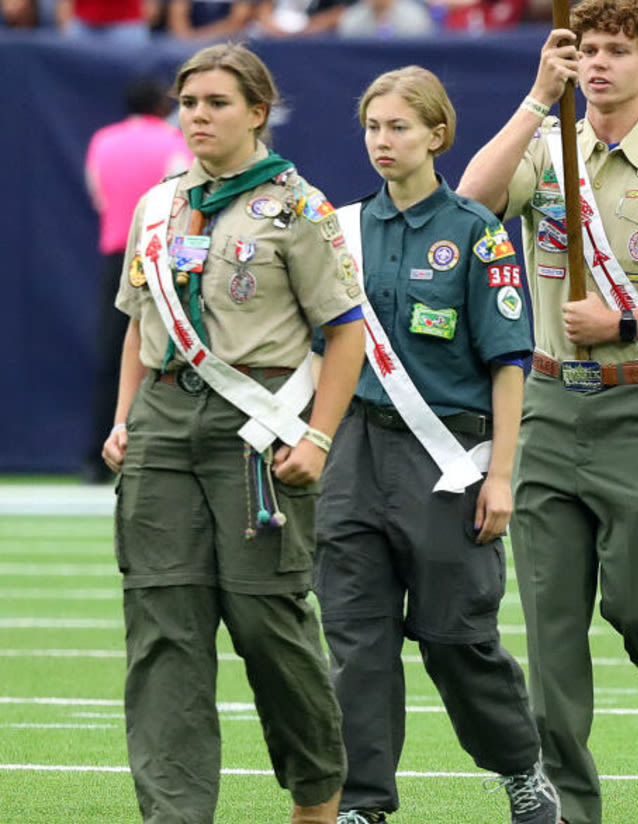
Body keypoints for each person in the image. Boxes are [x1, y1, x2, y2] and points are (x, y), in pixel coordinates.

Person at [457, 0, 638, 824]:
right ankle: (570, 810)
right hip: (547, 404)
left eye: (616, 49)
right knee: (550, 631)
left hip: (637, 406)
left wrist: (627, 319)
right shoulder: (548, 149)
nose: (597, 63)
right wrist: (535, 99)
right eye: (586, 48)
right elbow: (474, 201)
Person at [100, 42, 368, 824]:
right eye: (188, 103)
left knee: (267, 626)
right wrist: (122, 420)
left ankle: (317, 796)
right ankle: (175, 815)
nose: (198, 117)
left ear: (257, 112)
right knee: (163, 632)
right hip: (161, 426)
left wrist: (317, 438)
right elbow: (137, 324)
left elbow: (345, 333)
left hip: (257, 430)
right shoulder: (158, 205)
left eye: (216, 103)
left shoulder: (298, 208)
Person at [314, 66, 560, 824]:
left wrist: (503, 476)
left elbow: (508, 364)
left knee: (457, 638)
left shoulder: (477, 234)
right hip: (354, 453)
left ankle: (519, 767)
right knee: (356, 640)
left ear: (436, 135)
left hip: (447, 459)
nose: (382, 142)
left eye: (398, 127)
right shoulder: (341, 230)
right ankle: (364, 802)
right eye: (372, 127)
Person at [83, 78, 190, 483]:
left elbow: (99, 196)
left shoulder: (103, 140)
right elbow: (180, 197)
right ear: (162, 105)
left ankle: (98, 459)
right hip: (160, 257)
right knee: (163, 352)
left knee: (112, 356)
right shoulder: (173, 141)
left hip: (117, 258)